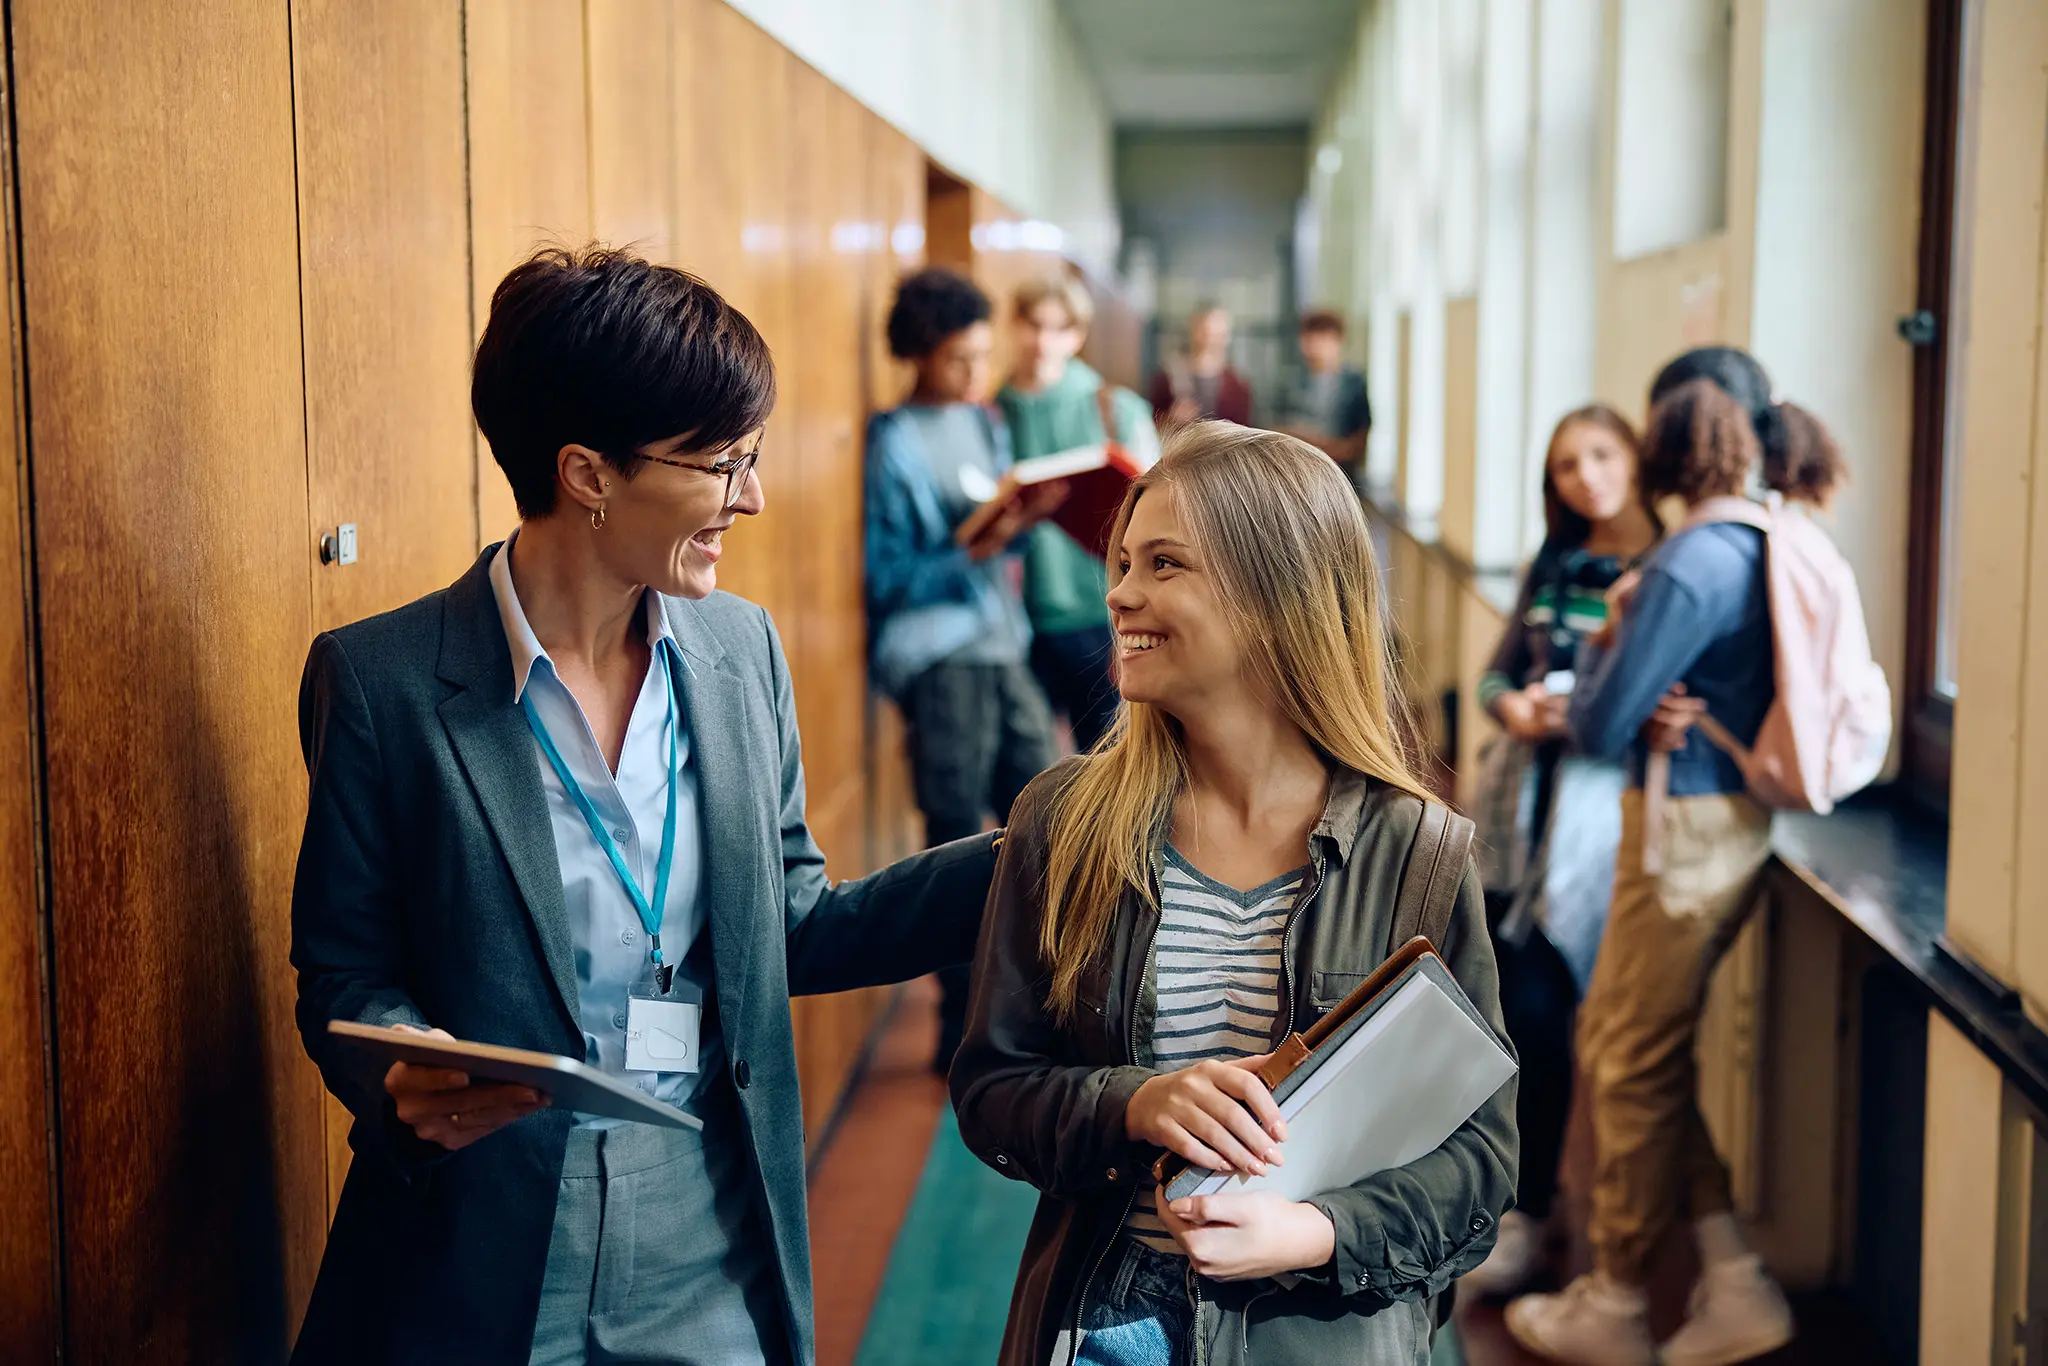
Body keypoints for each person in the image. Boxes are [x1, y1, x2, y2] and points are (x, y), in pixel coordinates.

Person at [290, 246, 1000, 1366]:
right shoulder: (383, 684)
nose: (750, 496)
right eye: (721, 463)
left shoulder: (737, 649)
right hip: (482, 1241)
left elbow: (793, 920)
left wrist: (1035, 850)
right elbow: (342, 968)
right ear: (588, 474)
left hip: (708, 1220)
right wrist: (396, 1065)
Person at [950, 422, 1518, 1365]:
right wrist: (1132, 1103)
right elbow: (993, 1089)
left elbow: (1481, 1160)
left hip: (1321, 1331)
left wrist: (1320, 1233)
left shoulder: (1418, 850)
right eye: (1124, 561)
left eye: (1163, 564)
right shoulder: (1064, 821)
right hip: (1109, 1321)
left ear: (1274, 595)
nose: (1119, 594)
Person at [1506, 347, 1797, 1366]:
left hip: (1684, 832)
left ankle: (1617, 1296)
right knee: (1643, 1054)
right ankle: (1728, 1273)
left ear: (1669, 434)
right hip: (1723, 822)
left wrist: (1613, 633)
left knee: (1622, 1057)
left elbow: (1594, 723)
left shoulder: (1691, 558)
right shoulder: (1765, 536)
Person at [1461, 406, 1659, 1299]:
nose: (1586, 478)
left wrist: (1582, 715)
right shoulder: (1556, 562)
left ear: (1637, 458)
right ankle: (1529, 1214)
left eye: (1602, 456)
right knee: (1526, 1021)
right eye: (1567, 466)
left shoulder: (1666, 568)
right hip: (1525, 822)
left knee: (1617, 1040)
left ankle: (1608, 1244)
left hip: (1616, 825)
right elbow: (1497, 672)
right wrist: (1512, 708)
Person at [864, 267, 1059, 1071]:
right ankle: (960, 1033)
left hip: (1001, 643)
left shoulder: (984, 423)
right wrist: (967, 550)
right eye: (959, 361)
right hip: (941, 658)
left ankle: (1041, 1012)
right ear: (919, 355)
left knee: (1052, 824)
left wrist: (1023, 520)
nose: (978, 376)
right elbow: (888, 578)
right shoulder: (895, 440)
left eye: (983, 358)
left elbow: (994, 525)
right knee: (957, 839)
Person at [998, 275, 1159, 753]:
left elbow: (1161, 518)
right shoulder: (991, 409)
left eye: (1058, 328)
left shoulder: (1114, 408)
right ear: (1014, 325)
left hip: (1098, 612)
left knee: (1105, 762)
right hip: (1012, 618)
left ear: (1078, 334)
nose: (1043, 341)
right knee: (1025, 773)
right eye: (1032, 325)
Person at [1275, 308, 1373, 490]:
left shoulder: (1353, 384)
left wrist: (1321, 444)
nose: (1315, 345)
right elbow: (1275, 428)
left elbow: (1359, 439)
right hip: (1297, 475)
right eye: (1310, 338)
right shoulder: (1290, 382)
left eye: (1323, 338)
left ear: (1338, 341)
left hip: (1340, 476)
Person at [1148, 303, 1253, 431]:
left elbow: (1247, 431)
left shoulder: (1238, 384)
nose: (1208, 339)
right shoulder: (1168, 376)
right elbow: (1149, 426)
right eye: (1203, 331)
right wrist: (1171, 418)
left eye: (1216, 333)